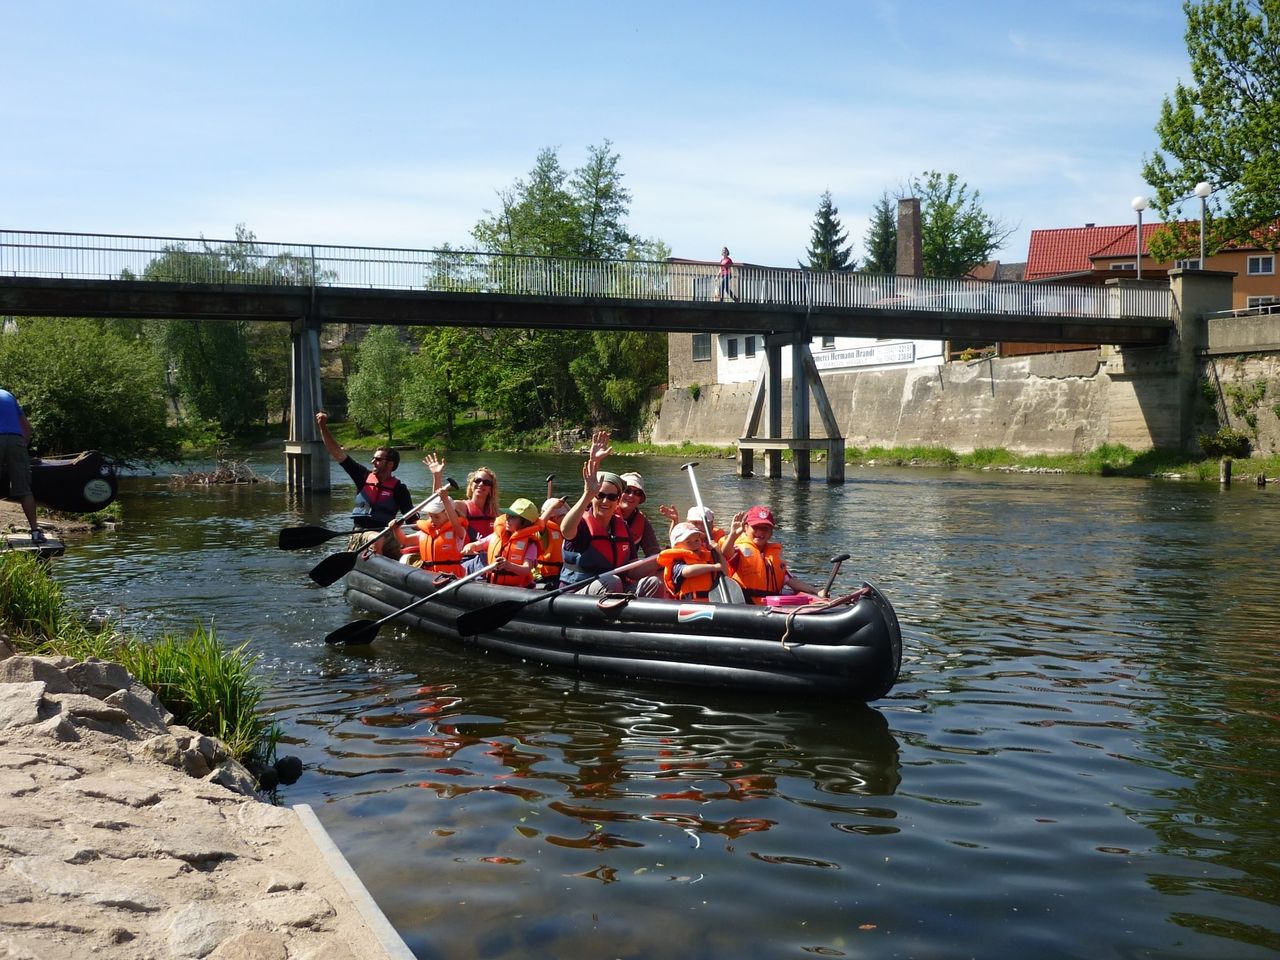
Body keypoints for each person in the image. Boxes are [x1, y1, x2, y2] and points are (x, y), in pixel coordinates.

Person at [315, 411, 413, 554]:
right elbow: (337, 453)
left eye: (378, 459)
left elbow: (412, 520)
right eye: (373, 458)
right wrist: (323, 427)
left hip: (387, 534)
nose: (373, 461)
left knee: (409, 543)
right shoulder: (362, 476)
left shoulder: (399, 489)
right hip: (362, 534)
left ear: (390, 464)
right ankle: (376, 566)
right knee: (376, 539)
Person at [558, 431, 639, 592]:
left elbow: (632, 570)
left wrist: (660, 560)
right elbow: (566, 530)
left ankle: (640, 617)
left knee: (652, 582)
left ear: (617, 501)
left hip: (612, 589)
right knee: (612, 582)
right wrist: (588, 493)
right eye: (599, 495)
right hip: (575, 594)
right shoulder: (581, 525)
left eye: (611, 497)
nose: (605, 501)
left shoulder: (621, 527)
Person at [722, 505, 821, 605]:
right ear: (746, 528)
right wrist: (732, 536)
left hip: (771, 608)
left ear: (771, 533)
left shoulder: (774, 556)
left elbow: (791, 581)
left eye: (765, 529)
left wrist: (816, 591)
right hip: (747, 606)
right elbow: (726, 553)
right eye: (755, 527)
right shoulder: (738, 549)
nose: (760, 532)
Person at [390, 456, 467, 576]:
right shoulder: (428, 532)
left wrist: (445, 500)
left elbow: (454, 521)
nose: (432, 520)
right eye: (430, 516)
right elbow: (404, 540)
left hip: (451, 577)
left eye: (436, 517)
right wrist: (396, 529)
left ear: (448, 515)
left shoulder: (458, 532)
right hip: (429, 576)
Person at [462, 497, 542, 588]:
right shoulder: (497, 535)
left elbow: (526, 569)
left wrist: (508, 565)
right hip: (494, 584)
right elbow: (479, 545)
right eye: (507, 515)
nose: (507, 519)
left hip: (518, 588)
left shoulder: (530, 544)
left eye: (513, 517)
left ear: (525, 522)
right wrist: (470, 546)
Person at [0, 388, 42, 542]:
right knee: (24, 489)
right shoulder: (8, 395)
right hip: (16, 440)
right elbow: (28, 428)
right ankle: (35, 532)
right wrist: (22, 445)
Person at [655, 522, 731, 602]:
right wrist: (713, 567)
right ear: (676, 546)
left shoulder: (708, 558)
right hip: (690, 607)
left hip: (712, 603)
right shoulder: (677, 563)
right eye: (688, 542)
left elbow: (725, 573)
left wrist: (719, 553)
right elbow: (687, 571)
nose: (694, 544)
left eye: (696, 540)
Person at [616, 471, 661, 557]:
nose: (631, 495)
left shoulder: (642, 522)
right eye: (627, 490)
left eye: (637, 493)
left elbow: (653, 551)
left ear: (640, 498)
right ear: (618, 493)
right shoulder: (605, 512)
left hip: (628, 568)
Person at [534, 496, 569, 586]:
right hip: (545, 577)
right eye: (564, 515)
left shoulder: (569, 530)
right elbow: (540, 523)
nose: (568, 518)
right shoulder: (544, 531)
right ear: (554, 518)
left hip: (563, 574)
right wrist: (552, 507)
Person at [459, 467, 500, 540]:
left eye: (486, 482)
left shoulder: (495, 512)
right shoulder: (461, 506)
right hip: (469, 550)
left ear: (491, 489)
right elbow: (437, 507)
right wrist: (437, 476)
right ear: (471, 485)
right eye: (477, 480)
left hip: (488, 549)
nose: (481, 484)